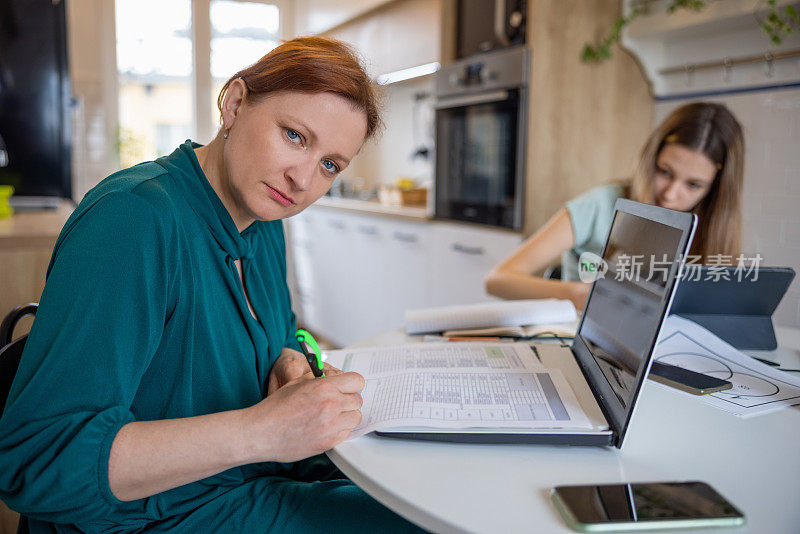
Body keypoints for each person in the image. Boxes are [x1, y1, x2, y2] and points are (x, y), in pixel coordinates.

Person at [0, 37, 424, 533]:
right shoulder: (133, 219)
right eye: (293, 135)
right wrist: (261, 430)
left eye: (330, 165)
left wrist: (291, 358)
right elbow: (38, 460)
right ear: (235, 104)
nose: (302, 179)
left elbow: (282, 336)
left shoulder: (265, 225)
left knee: (426, 495)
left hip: (245, 481)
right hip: (151, 517)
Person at [485, 102, 744, 310]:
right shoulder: (600, 205)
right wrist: (574, 294)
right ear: (650, 158)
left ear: (714, 191)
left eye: (693, 185)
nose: (670, 194)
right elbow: (498, 280)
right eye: (664, 172)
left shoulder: (711, 231)